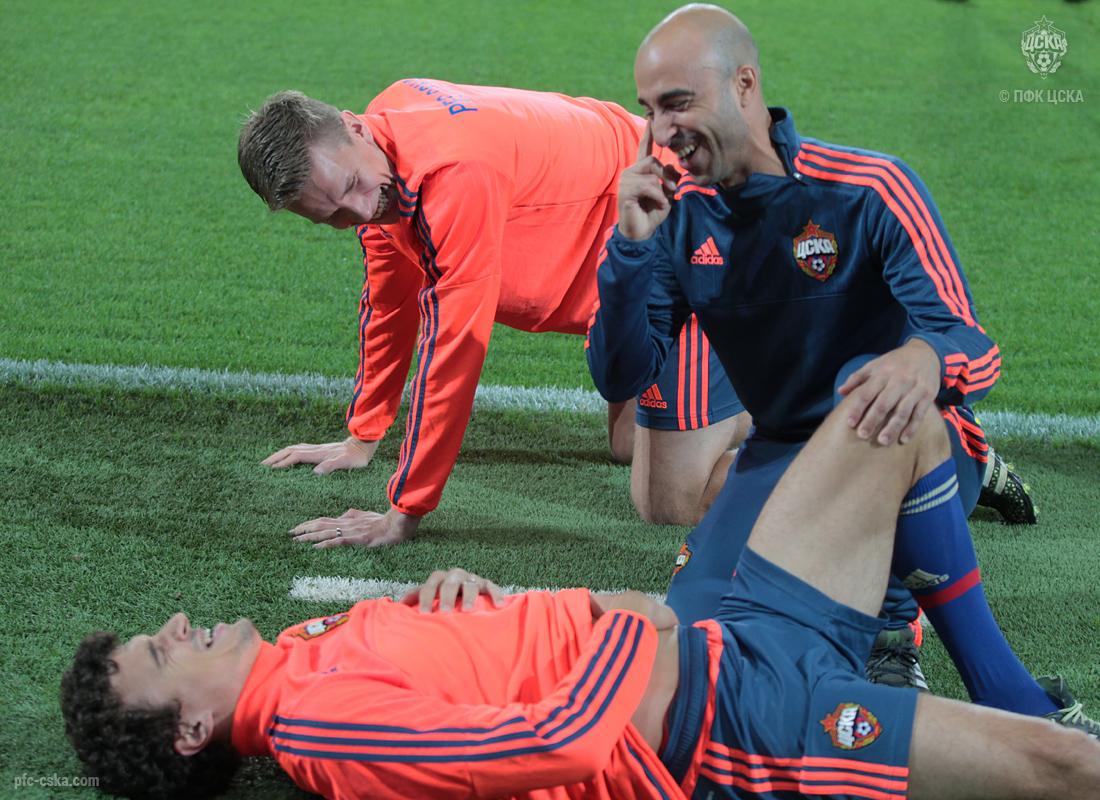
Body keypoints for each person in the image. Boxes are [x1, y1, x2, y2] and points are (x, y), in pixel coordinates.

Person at [60, 395, 1098, 800]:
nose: (178, 625)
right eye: (162, 651)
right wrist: (629, 629)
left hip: (724, 632)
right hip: (733, 722)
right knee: (1065, 768)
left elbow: (488, 674)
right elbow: (549, 746)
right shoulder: (318, 725)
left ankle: (939, 663)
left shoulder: (305, 648)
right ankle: (952, 696)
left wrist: (483, 599)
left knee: (894, 414)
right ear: (191, 729)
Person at [584, 5, 1047, 700]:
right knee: (694, 663)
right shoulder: (677, 220)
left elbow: (973, 347)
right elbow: (621, 374)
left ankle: (901, 629)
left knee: (876, 398)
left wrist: (925, 359)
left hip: (896, 435)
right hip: (779, 451)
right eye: (650, 110)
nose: (662, 131)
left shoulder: (870, 189)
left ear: (744, 84)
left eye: (678, 103)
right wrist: (627, 252)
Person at [237, 83, 752, 546]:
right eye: (334, 216)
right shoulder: (384, 139)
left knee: (670, 502)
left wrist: (402, 513)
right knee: (628, 444)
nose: (361, 211)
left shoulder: (455, 174)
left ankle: (793, 433)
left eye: (353, 185)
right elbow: (389, 300)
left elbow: (453, 349)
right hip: (633, 250)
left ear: (354, 128)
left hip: (687, 226)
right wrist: (364, 434)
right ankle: (764, 379)